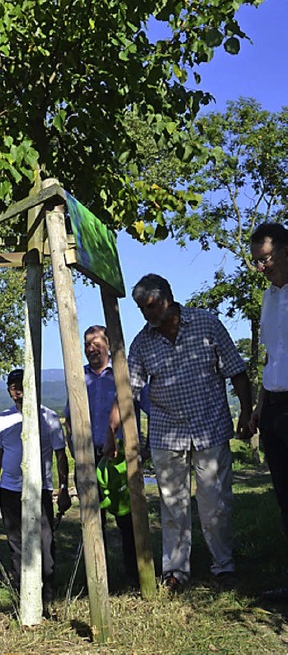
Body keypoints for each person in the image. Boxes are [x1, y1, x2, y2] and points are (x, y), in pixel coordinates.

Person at [106, 274, 252, 591]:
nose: (148, 314)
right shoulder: (142, 342)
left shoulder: (206, 324)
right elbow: (127, 391)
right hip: (166, 434)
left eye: (151, 306)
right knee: (173, 506)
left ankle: (223, 566)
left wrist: (247, 413)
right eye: (142, 309)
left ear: (167, 299)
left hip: (210, 428)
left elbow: (236, 370)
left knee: (215, 505)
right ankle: (175, 571)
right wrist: (111, 428)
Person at [0, 369, 71, 611]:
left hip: (40, 489)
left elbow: (60, 455)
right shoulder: (2, 420)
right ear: (9, 391)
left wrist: (63, 488)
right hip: (10, 490)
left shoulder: (49, 418)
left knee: (44, 541)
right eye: (13, 387)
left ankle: (48, 591)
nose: (18, 391)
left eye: (22, 385)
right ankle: (24, 592)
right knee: (16, 542)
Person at [64, 325, 138, 582]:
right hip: (88, 456)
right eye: (87, 344)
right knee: (93, 518)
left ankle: (135, 573)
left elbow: (139, 408)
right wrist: (72, 444)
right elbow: (69, 416)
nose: (91, 349)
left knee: (127, 519)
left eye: (96, 343)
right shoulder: (78, 377)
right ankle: (99, 577)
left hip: (117, 457)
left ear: (108, 345)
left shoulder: (120, 374)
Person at [249, 223, 288, 597]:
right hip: (275, 407)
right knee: (284, 497)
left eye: (267, 259)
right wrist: (260, 407)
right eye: (258, 262)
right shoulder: (269, 299)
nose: (262, 268)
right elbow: (271, 358)